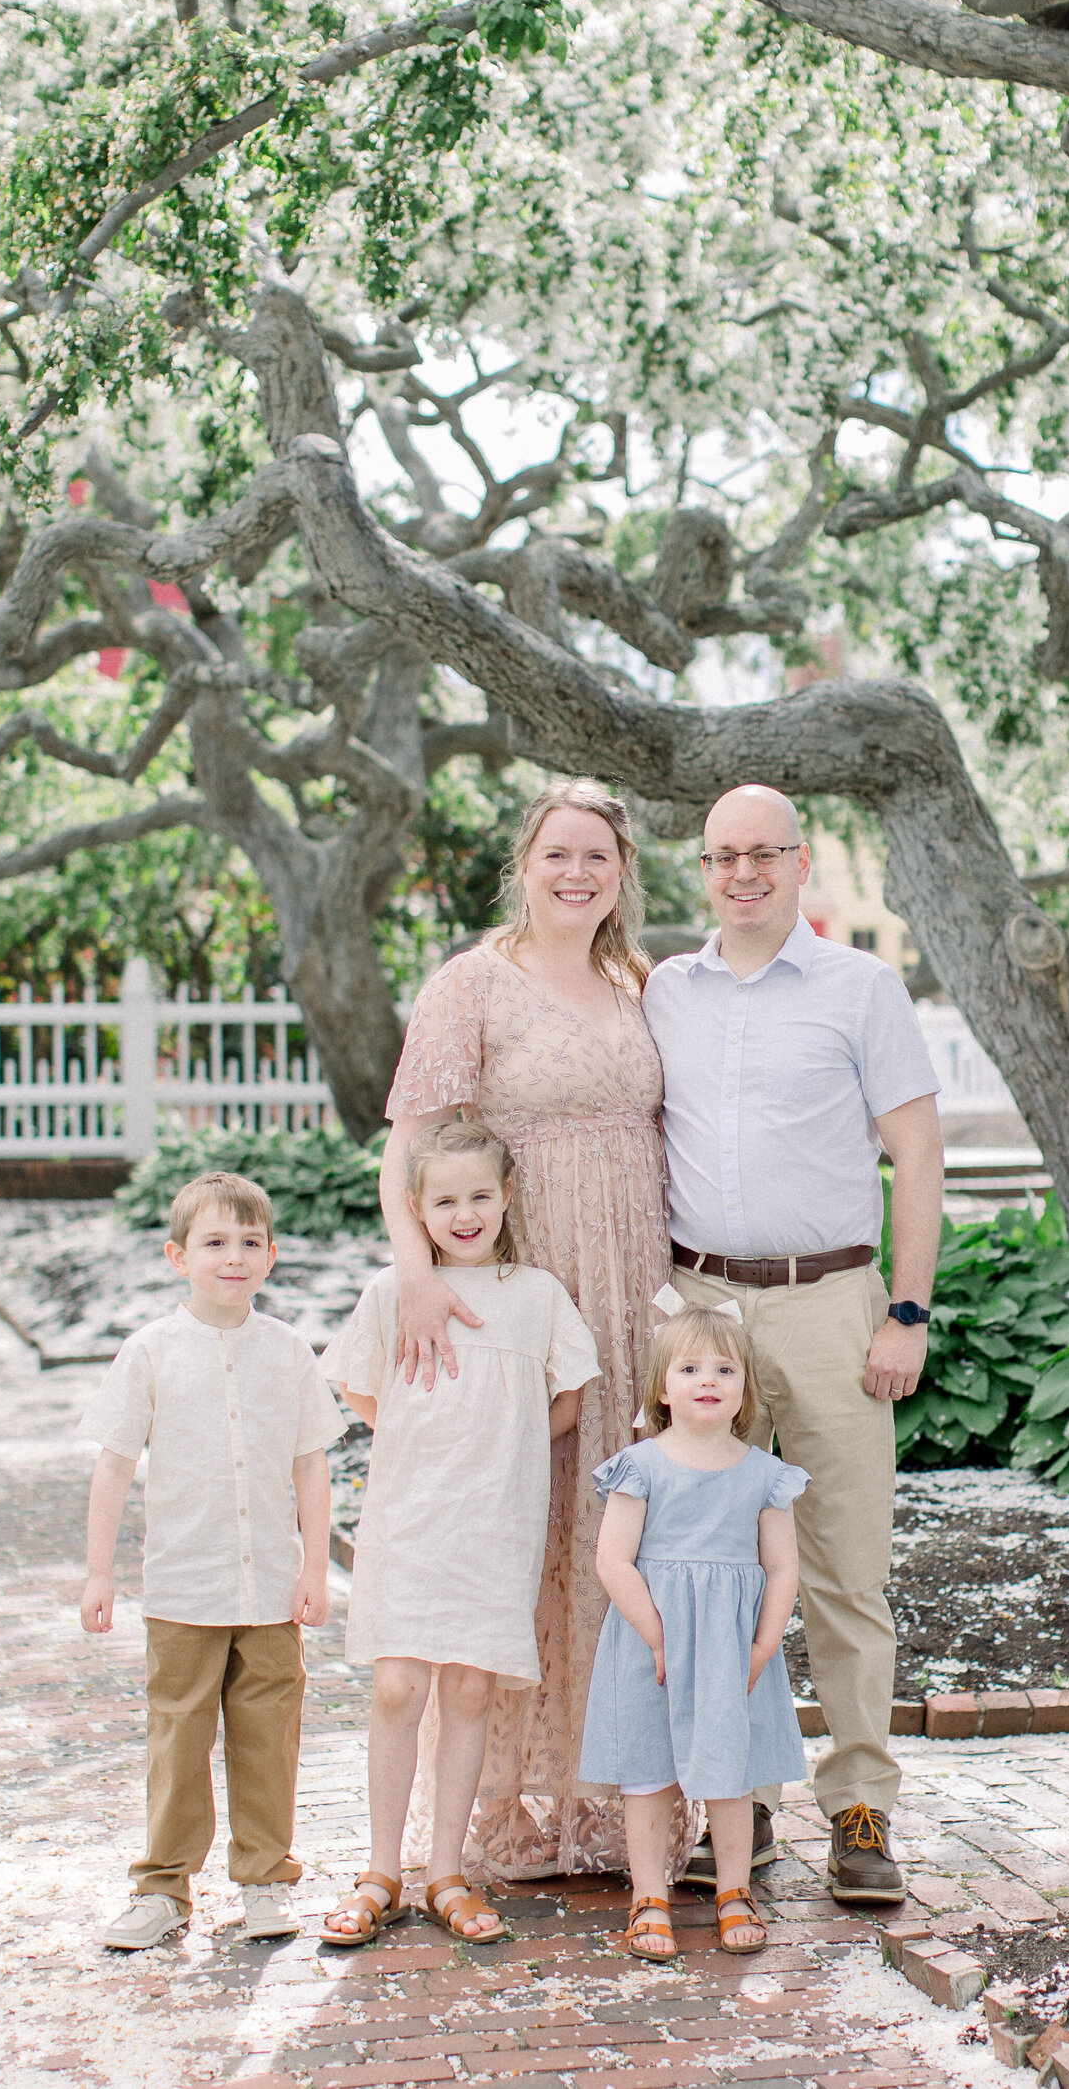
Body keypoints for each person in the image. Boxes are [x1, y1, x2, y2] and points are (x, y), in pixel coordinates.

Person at [377, 778, 690, 1880]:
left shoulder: (637, 981)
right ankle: (508, 1804)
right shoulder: (472, 984)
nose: (575, 874)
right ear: (524, 865)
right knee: (521, 1525)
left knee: (618, 1528)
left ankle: (610, 1797)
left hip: (627, 1285)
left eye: (596, 857)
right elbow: (409, 1145)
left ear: (622, 873)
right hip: (515, 1283)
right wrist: (417, 1276)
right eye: (556, 855)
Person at [641, 784, 944, 1904]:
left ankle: (860, 1805)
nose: (744, 874)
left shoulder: (860, 989)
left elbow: (916, 1154)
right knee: (711, 1569)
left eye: (765, 854)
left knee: (844, 1572)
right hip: (700, 1311)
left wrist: (904, 1313)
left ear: (801, 863)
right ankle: (739, 1807)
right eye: (724, 856)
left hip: (829, 1305)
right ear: (703, 869)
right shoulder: (664, 990)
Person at [317, 1122, 598, 1946]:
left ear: (507, 1198)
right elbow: (362, 1392)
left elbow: (571, 1399)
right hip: (412, 1516)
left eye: (481, 1195)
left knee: (471, 1686)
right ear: (418, 1209)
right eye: (445, 1200)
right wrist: (423, 1437)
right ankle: (381, 1868)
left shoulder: (536, 1293)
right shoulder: (392, 1292)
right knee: (400, 1683)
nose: (465, 1213)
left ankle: (446, 1869)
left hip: (495, 1521)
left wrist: (504, 1446)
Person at [78, 1170, 342, 1950]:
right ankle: (163, 1886)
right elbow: (113, 1463)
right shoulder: (151, 1352)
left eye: (250, 1242)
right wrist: (100, 1570)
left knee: (268, 1737)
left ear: (272, 1255)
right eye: (215, 1242)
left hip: (268, 1588)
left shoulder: (289, 1350)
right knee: (177, 1740)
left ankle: (265, 1880)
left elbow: (311, 1464)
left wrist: (315, 1566)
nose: (234, 1257)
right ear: (177, 1255)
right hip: (183, 1590)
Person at [581, 1295, 808, 1962]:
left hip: (732, 1650)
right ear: (661, 1386)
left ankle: (734, 1889)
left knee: (729, 1773)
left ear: (745, 1390)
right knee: (647, 1772)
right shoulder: (642, 1464)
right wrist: (655, 1631)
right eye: (689, 1368)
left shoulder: (765, 1474)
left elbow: (782, 1567)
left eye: (724, 1369)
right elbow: (613, 1558)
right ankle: (649, 1895)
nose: (707, 1380)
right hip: (650, 1644)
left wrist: (764, 1644)